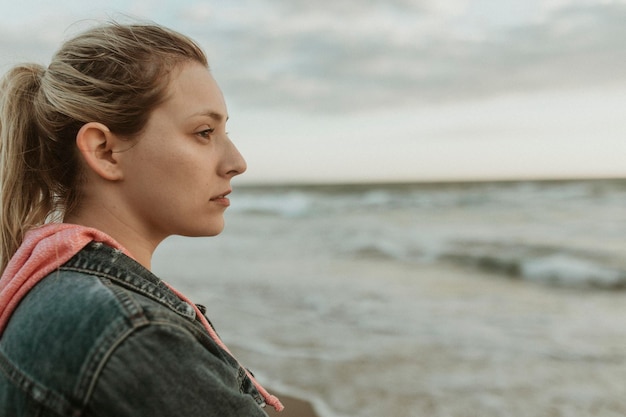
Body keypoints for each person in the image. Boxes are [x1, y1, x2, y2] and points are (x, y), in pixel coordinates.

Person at [0, 21, 283, 416]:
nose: (237, 163)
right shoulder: (132, 331)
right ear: (104, 152)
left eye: (224, 132)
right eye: (204, 132)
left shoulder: (47, 285)